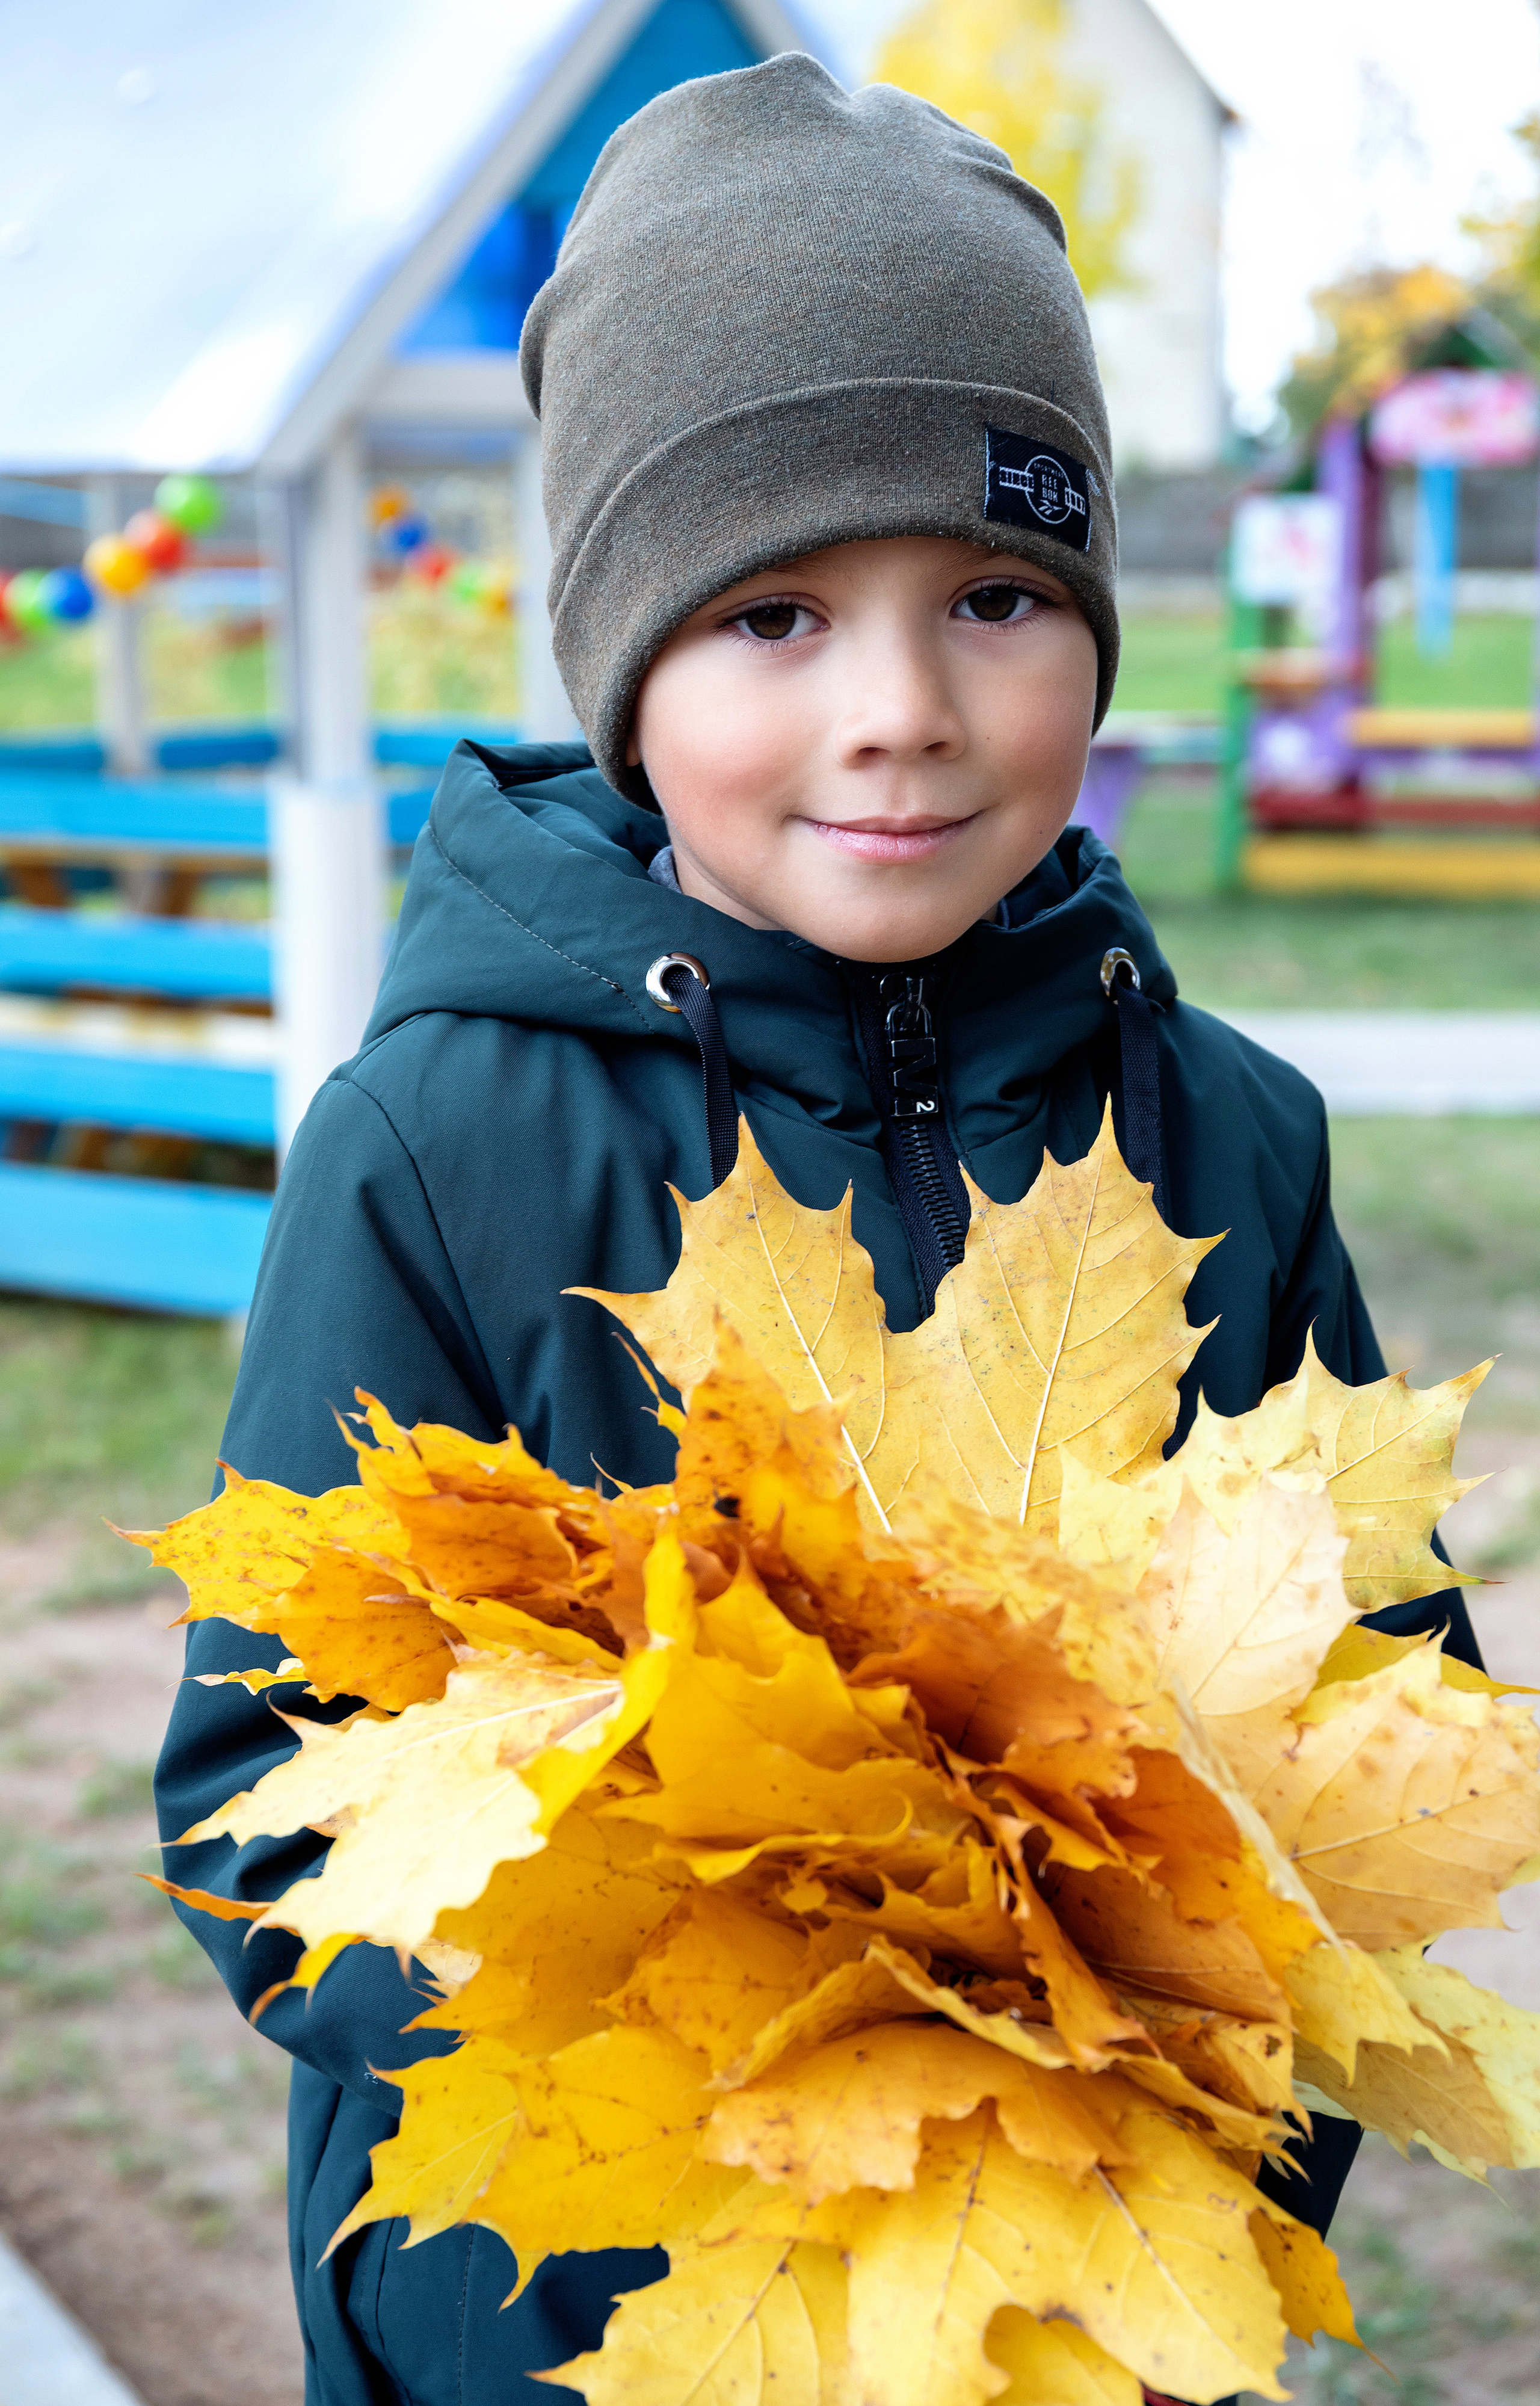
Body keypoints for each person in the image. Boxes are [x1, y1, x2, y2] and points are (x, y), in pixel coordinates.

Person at [154, 52, 1478, 2406]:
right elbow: (267, 1791)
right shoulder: (439, 1142)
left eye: (992, 593)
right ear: (621, 664)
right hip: (571, 2317)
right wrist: (680, 2003)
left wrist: (1194, 2081)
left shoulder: (1219, 1145)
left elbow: (1382, 1725)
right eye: (772, 615)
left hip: (1068, 2299)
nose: (903, 712)